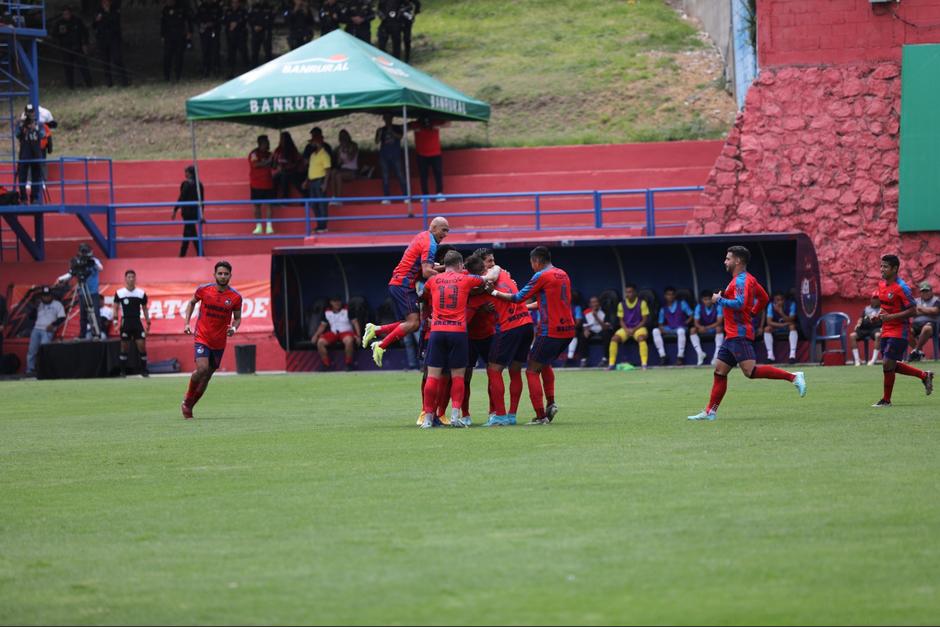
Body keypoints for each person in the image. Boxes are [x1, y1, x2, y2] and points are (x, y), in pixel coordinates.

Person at [687, 246, 806, 421]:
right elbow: (764, 297)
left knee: (750, 372)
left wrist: (719, 300)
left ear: (738, 261)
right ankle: (710, 412)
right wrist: (752, 313)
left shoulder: (741, 281)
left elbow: (740, 303)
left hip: (739, 334)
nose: (725, 261)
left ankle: (794, 377)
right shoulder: (747, 279)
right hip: (732, 335)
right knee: (720, 371)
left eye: (728, 258)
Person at [491, 246, 575, 425]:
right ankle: (550, 402)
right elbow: (550, 301)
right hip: (568, 330)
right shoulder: (563, 274)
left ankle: (540, 416)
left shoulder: (541, 275)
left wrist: (493, 292)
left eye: (532, 264)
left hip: (550, 331)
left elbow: (517, 297)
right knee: (544, 363)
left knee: (531, 370)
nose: (532, 267)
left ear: (536, 261)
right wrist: (526, 308)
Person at [362, 217, 450, 366]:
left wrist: (446, 267)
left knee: (409, 323)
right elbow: (427, 272)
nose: (446, 234)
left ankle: (376, 330)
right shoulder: (430, 244)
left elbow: (425, 267)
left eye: (447, 231)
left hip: (400, 283)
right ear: (434, 227)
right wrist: (450, 276)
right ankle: (381, 345)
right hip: (404, 285)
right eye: (444, 230)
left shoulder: (422, 236)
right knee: (414, 323)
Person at [419, 250, 487, 428]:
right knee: (458, 377)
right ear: (459, 265)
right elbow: (485, 279)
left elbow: (423, 293)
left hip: (437, 331)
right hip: (458, 332)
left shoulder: (433, 280)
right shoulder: (466, 279)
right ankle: (455, 416)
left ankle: (427, 419)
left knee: (432, 377)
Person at [477, 248, 534, 427]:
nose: (492, 263)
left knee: (493, 370)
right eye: (488, 261)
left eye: (493, 260)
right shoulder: (504, 273)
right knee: (515, 370)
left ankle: (500, 415)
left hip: (511, 327)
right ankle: (511, 415)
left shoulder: (485, 278)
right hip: (526, 324)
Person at [181, 261, 243, 419]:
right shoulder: (204, 290)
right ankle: (187, 399)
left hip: (219, 342)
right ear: (214, 274)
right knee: (202, 369)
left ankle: (190, 406)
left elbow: (237, 318)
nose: (223, 276)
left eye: (226, 274)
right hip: (202, 336)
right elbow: (191, 303)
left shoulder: (235, 297)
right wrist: (187, 322)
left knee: (207, 376)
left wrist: (234, 328)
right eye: (220, 273)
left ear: (230, 275)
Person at [870, 255, 934, 406]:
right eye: (881, 266)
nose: (882, 269)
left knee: (887, 364)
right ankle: (924, 376)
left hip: (899, 330)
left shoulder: (902, 288)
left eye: (885, 267)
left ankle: (886, 400)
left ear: (895, 269)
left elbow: (914, 310)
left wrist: (891, 317)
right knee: (890, 364)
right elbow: (884, 308)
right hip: (886, 329)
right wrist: (877, 316)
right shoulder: (881, 285)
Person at [463, 254, 498, 426]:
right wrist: (478, 308)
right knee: (464, 377)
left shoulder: (493, 282)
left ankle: (494, 412)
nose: (490, 267)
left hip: (488, 336)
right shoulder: (463, 284)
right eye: (488, 263)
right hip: (468, 338)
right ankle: (464, 414)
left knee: (493, 375)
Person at [57, 242, 104, 339]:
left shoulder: (94, 261)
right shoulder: (77, 262)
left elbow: (100, 268)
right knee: (83, 315)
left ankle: (97, 333)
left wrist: (92, 260)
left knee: (94, 313)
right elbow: (71, 273)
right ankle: (82, 335)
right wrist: (61, 278)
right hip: (82, 292)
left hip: (93, 293)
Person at [113, 269, 151, 376]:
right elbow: (115, 308)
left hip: (137, 322)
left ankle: (144, 371)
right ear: (125, 279)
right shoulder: (119, 293)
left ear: (135, 278)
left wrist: (148, 322)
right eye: (129, 277)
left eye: (133, 277)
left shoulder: (141, 293)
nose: (131, 279)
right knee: (124, 347)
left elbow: (145, 308)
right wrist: (115, 322)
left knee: (142, 346)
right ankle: (122, 371)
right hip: (125, 322)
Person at [25, 286, 66, 376]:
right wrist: (34, 308)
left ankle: (43, 370)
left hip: (48, 330)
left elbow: (62, 318)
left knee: (44, 351)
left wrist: (53, 325)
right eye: (44, 296)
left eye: (47, 295)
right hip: (36, 329)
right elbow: (30, 317)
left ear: (51, 295)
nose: (46, 297)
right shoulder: (39, 304)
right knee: (32, 351)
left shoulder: (57, 304)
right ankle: (30, 370)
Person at [312, 296, 361, 371]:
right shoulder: (327, 312)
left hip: (346, 332)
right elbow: (322, 326)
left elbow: (355, 323)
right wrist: (315, 335)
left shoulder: (347, 310)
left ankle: (348, 364)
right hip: (334, 333)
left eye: (338, 301)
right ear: (331, 303)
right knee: (320, 342)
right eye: (335, 301)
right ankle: (326, 365)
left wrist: (358, 336)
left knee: (349, 341)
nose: (337, 303)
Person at [608, 283, 649, 370]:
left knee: (641, 338)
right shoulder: (621, 304)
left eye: (630, 292)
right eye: (626, 292)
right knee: (614, 339)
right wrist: (626, 329)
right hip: (626, 328)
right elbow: (621, 320)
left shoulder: (642, 303)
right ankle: (611, 364)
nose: (628, 294)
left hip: (639, 328)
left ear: (635, 293)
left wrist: (634, 329)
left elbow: (644, 320)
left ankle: (644, 364)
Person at [652, 286, 693, 366]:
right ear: (665, 296)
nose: (670, 296)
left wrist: (686, 322)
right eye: (668, 295)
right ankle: (663, 356)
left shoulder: (682, 303)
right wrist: (661, 328)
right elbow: (660, 323)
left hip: (681, 327)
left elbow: (691, 314)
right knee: (655, 331)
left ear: (674, 296)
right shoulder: (663, 308)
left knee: (681, 331)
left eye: (672, 294)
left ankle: (680, 357)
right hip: (669, 328)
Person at [54, 6, 93, 89]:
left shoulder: (77, 21)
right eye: (64, 14)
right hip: (65, 48)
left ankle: (89, 84)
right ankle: (70, 86)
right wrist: (59, 39)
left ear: (70, 13)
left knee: (83, 66)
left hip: (77, 47)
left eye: (67, 13)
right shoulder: (59, 23)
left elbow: (85, 32)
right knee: (68, 68)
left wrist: (85, 44)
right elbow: (54, 35)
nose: (66, 15)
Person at [374, 114, 407, 207]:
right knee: (385, 176)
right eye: (386, 118)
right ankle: (386, 197)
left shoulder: (397, 128)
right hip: (384, 156)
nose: (388, 120)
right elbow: (376, 141)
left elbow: (400, 137)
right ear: (384, 119)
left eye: (389, 118)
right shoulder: (381, 130)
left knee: (400, 175)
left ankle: (406, 196)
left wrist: (391, 130)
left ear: (392, 118)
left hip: (395, 155)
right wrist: (380, 134)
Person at [93, 0, 129, 87]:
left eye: (107, 2)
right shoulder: (98, 11)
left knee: (117, 59)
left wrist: (105, 14)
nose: (105, 4)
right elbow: (93, 26)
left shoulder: (115, 10)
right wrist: (97, 20)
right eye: (103, 2)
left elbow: (114, 20)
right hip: (102, 40)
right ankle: (109, 82)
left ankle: (124, 81)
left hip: (114, 39)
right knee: (105, 62)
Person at [172, 165, 205, 257]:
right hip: (195, 213)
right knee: (190, 232)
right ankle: (197, 253)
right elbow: (202, 201)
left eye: (186, 172)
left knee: (189, 233)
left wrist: (175, 210)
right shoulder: (199, 185)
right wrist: (202, 214)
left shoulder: (186, 184)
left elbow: (181, 198)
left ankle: (184, 254)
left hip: (187, 212)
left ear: (190, 174)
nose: (185, 174)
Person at [15, 105, 45, 205]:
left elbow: (42, 135)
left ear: (34, 112)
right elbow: (17, 135)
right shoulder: (21, 124)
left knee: (36, 177)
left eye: (31, 112)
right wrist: (22, 127)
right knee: (22, 177)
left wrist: (34, 128)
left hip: (36, 154)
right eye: (28, 112)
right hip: (24, 154)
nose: (30, 114)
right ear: (25, 112)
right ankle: (23, 198)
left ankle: (34, 198)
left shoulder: (39, 124)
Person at [412, 117, 446, 200]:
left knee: (438, 174)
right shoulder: (415, 124)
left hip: (435, 153)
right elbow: (406, 127)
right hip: (422, 154)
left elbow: (448, 123)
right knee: (423, 176)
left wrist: (437, 125)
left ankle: (439, 193)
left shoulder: (435, 122)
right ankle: (425, 195)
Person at [305, 129, 332, 233]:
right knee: (313, 204)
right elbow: (310, 168)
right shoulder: (313, 155)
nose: (312, 144)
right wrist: (306, 181)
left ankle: (323, 226)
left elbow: (328, 170)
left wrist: (325, 183)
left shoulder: (324, 155)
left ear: (318, 142)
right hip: (312, 181)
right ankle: (320, 224)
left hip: (319, 181)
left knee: (321, 204)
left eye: (313, 142)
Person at [248, 134, 275, 234]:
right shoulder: (254, 154)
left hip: (268, 183)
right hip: (256, 184)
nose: (268, 144)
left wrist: (274, 161)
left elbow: (273, 166)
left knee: (269, 205)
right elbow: (255, 164)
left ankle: (269, 226)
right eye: (266, 142)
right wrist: (267, 161)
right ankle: (258, 226)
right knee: (257, 206)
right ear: (260, 143)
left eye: (268, 142)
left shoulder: (269, 154)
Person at [690, 289, 724, 366]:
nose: (708, 301)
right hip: (703, 328)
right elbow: (696, 322)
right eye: (705, 299)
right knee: (692, 330)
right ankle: (700, 353)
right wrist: (701, 327)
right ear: (702, 300)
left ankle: (716, 355)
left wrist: (707, 328)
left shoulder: (718, 306)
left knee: (719, 328)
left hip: (713, 328)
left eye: (709, 299)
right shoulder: (699, 307)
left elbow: (719, 322)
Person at [763, 291, 799, 364]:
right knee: (767, 329)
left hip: (788, 327)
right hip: (778, 326)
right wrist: (783, 324)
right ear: (774, 300)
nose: (779, 302)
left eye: (781, 299)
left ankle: (792, 355)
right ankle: (770, 356)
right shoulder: (771, 305)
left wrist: (781, 312)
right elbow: (769, 322)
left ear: (784, 300)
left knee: (792, 326)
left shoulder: (791, 304)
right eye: (777, 300)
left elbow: (791, 319)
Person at [161, 0, 191, 82]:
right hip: (168, 36)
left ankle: (178, 75)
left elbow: (188, 20)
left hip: (180, 35)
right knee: (167, 56)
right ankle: (166, 76)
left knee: (179, 56)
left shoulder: (182, 9)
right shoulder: (165, 10)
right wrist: (162, 35)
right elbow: (163, 23)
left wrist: (189, 32)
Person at [849, 291, 882, 366]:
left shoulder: (882, 309)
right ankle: (857, 361)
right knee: (852, 336)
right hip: (864, 328)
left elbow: (885, 320)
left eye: (877, 298)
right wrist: (858, 323)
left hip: (875, 328)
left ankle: (873, 360)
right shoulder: (866, 309)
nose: (875, 300)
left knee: (878, 335)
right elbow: (861, 318)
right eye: (874, 298)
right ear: (871, 299)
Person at [909, 282, 939, 362]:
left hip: (932, 324)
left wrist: (920, 309)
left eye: (927, 291)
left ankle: (916, 351)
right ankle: (919, 352)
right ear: (920, 292)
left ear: (931, 291)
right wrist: (928, 311)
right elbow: (913, 312)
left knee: (927, 328)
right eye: (923, 291)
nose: (925, 293)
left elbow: (935, 311)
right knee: (906, 331)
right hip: (916, 324)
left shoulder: (936, 300)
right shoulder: (915, 301)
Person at [580, 296, 612, 367]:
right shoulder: (586, 312)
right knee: (582, 336)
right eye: (592, 302)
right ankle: (584, 360)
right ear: (590, 305)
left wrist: (596, 317)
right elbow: (585, 326)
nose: (595, 304)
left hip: (602, 329)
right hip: (592, 330)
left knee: (607, 335)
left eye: (596, 302)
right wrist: (585, 330)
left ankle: (605, 359)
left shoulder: (605, 311)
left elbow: (606, 327)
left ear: (599, 303)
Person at [273, 131, 304, 200]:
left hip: (291, 171)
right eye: (281, 139)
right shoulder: (278, 150)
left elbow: (297, 162)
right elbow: (274, 163)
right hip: (281, 171)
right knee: (273, 179)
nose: (281, 141)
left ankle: (285, 198)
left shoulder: (292, 150)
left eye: (283, 139)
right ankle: (273, 199)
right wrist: (277, 166)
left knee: (285, 177)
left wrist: (287, 167)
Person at [329, 129, 359, 202]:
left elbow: (350, 158)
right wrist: (340, 152)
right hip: (343, 169)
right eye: (341, 137)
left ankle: (339, 199)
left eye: (344, 137)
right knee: (333, 172)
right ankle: (333, 197)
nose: (342, 139)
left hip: (352, 170)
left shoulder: (354, 145)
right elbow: (339, 163)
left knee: (338, 175)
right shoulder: (339, 148)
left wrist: (345, 149)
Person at [196, 0, 223, 77]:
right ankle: (206, 69)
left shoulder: (217, 7)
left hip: (214, 31)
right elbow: (197, 18)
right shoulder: (202, 7)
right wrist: (202, 25)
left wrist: (213, 24)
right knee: (205, 51)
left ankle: (216, 69)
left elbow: (220, 19)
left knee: (215, 51)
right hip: (204, 33)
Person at [224, 0, 249, 78]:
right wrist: (230, 24)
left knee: (244, 53)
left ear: (239, 3)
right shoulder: (228, 11)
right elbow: (224, 21)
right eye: (233, 2)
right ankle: (230, 73)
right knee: (231, 55)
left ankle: (247, 71)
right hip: (231, 36)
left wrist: (237, 23)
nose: (234, 4)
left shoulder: (243, 11)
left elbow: (245, 20)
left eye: (236, 2)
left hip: (240, 35)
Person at [248, 0, 274, 67]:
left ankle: (269, 68)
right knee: (254, 52)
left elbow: (271, 20)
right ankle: (254, 68)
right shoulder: (254, 7)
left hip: (266, 33)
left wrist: (262, 27)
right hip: (255, 33)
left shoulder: (269, 7)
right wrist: (254, 26)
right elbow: (249, 19)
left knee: (268, 52)